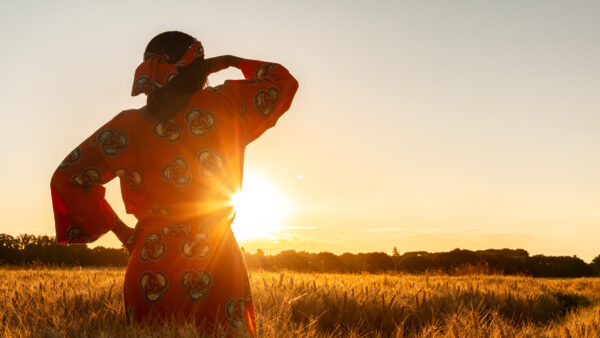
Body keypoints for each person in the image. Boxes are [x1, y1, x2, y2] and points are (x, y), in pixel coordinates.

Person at [50, 31, 298, 336]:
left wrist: (123, 232)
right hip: (215, 259)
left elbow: (67, 177)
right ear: (199, 68)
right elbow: (282, 81)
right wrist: (230, 61)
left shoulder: (125, 127)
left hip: (151, 263)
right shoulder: (224, 105)